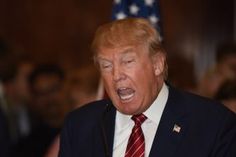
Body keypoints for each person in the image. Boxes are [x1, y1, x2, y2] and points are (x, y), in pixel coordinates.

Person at [59, 18, 236, 157]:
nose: (116, 75)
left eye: (127, 62)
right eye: (106, 66)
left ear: (157, 64)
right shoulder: (80, 125)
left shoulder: (213, 124)